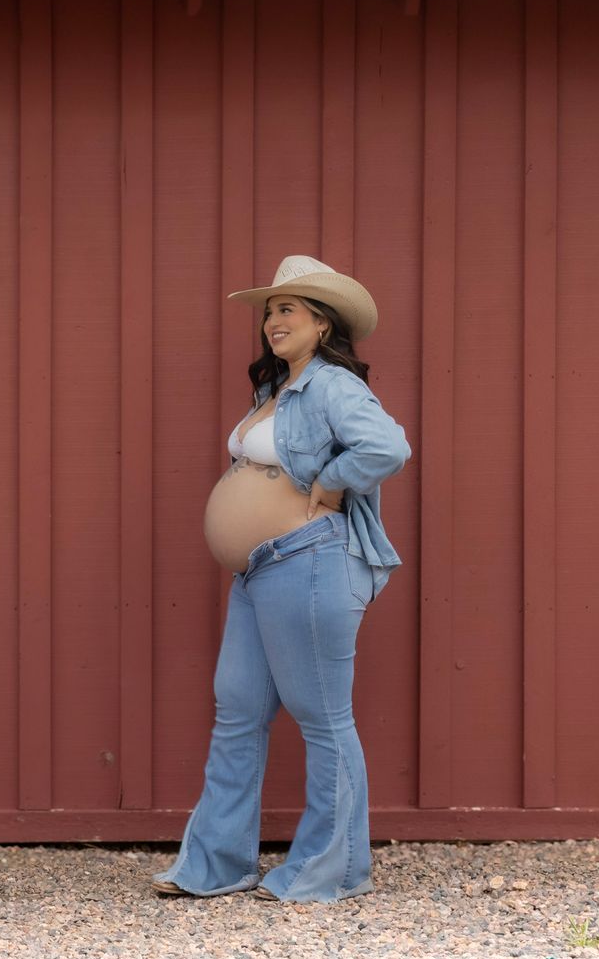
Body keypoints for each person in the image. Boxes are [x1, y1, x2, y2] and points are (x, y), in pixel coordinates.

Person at [155, 255, 411, 902]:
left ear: (323, 325)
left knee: (323, 718)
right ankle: (217, 863)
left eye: (288, 308)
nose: (274, 320)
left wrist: (327, 485)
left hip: (311, 563)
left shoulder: (330, 385)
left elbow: (386, 447)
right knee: (237, 711)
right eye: (271, 310)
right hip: (259, 573)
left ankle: (334, 868)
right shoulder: (275, 393)